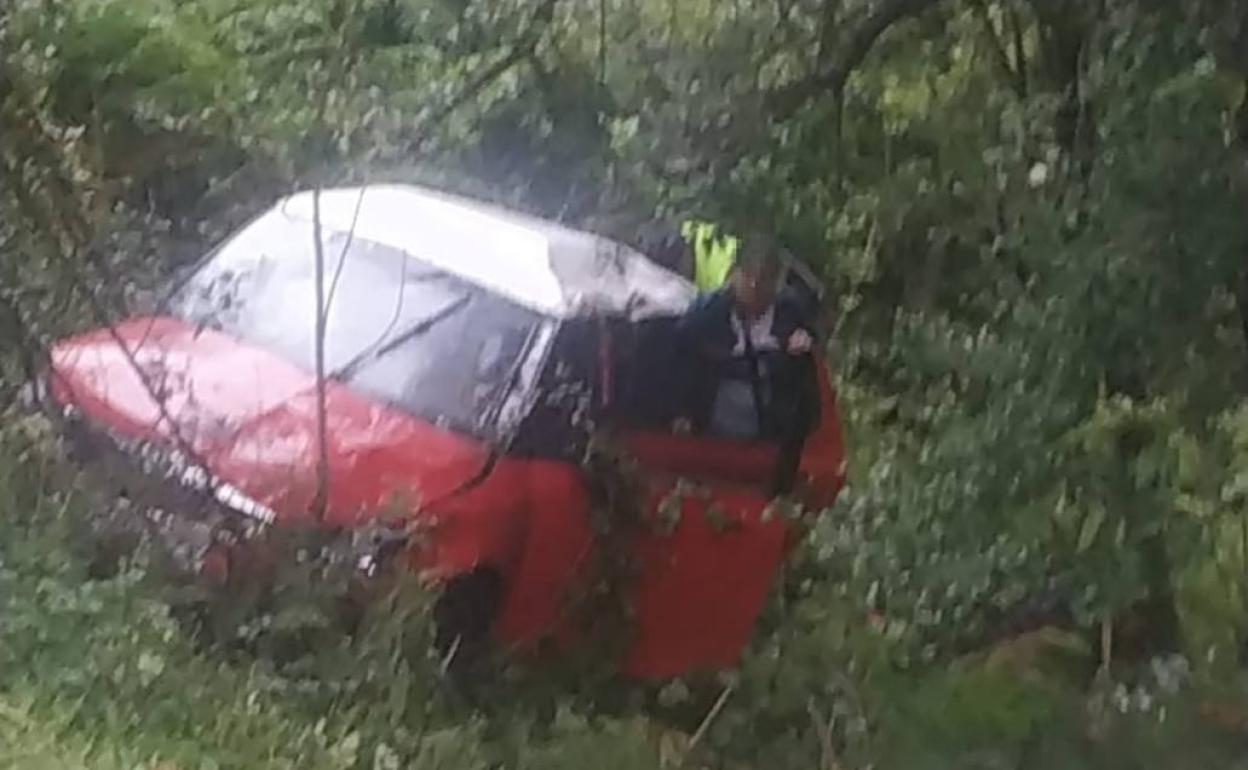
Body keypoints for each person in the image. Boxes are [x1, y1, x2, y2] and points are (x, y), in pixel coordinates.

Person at [675, 233, 821, 495]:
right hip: (710, 437)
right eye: (748, 277)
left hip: (767, 443)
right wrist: (684, 412)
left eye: (763, 280)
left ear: (775, 284)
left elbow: (808, 387)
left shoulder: (791, 316)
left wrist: (799, 348)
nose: (754, 287)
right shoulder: (709, 315)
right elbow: (682, 352)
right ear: (735, 275)